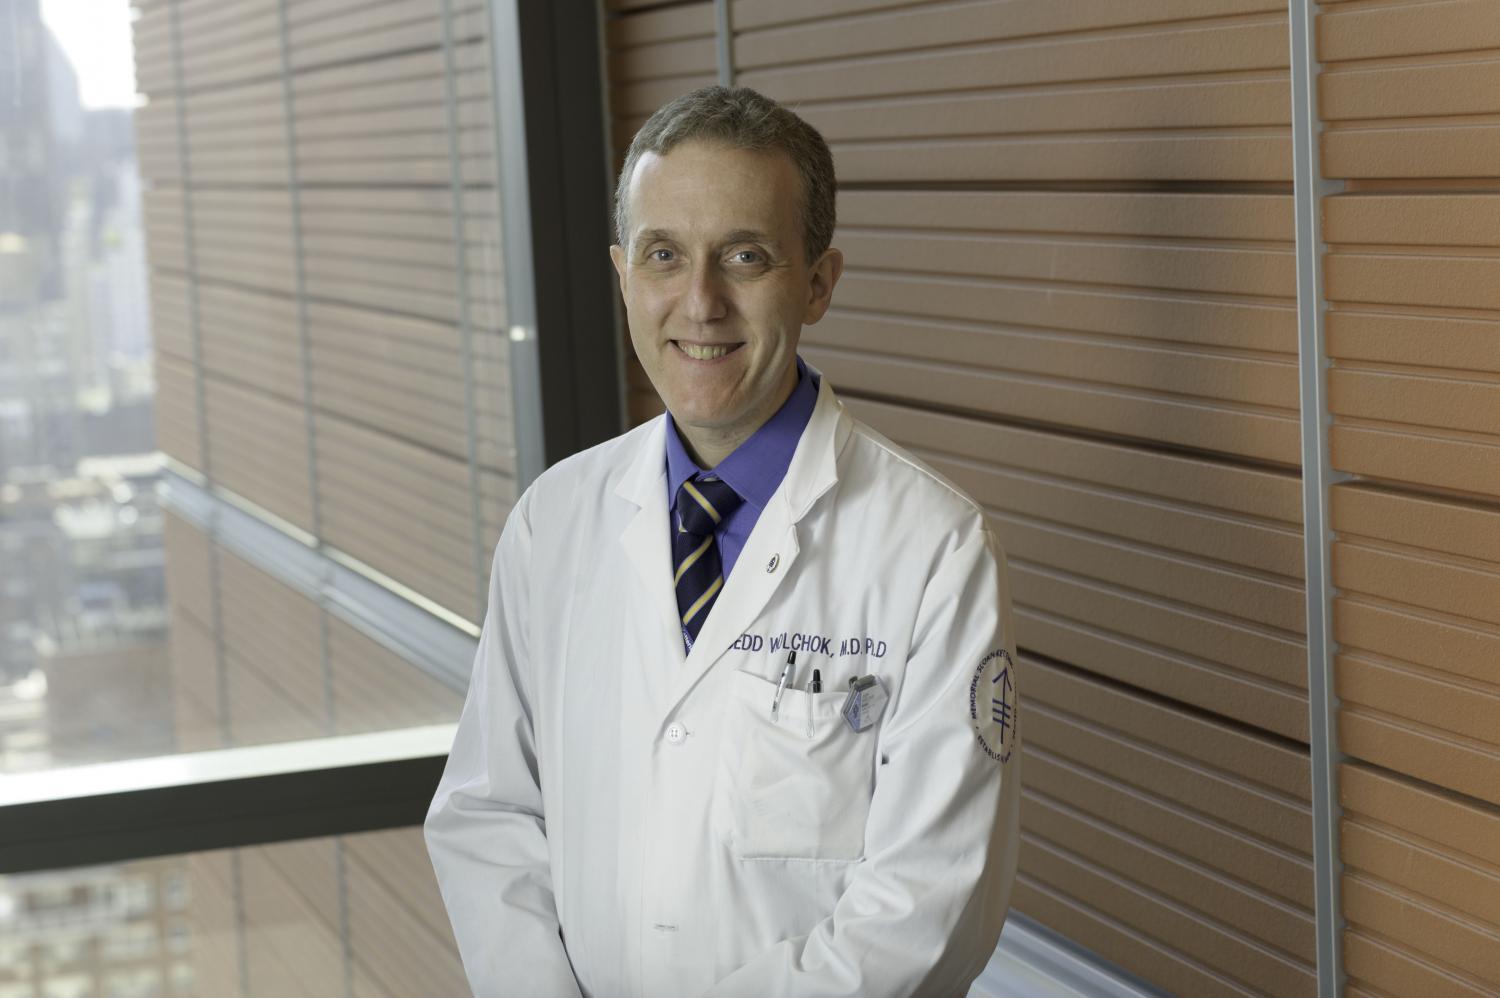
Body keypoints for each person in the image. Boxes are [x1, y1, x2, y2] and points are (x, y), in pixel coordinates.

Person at [425, 85, 1021, 998]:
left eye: (745, 256)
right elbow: (491, 814)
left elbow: (927, 905)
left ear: (818, 282)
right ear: (624, 274)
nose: (700, 303)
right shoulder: (554, 521)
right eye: (664, 255)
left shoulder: (934, 550)